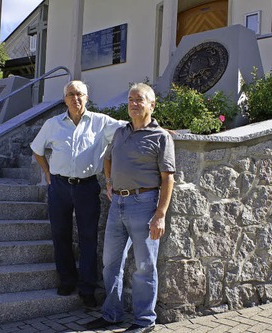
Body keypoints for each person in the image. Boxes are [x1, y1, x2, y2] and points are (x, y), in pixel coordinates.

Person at [85, 83, 175, 333]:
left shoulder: (161, 137)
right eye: (130, 99)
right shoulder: (121, 133)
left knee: (145, 266)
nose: (134, 104)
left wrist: (160, 214)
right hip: (118, 204)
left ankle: (145, 321)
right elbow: (108, 158)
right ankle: (112, 314)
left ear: (152, 105)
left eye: (140, 100)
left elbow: (168, 178)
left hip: (144, 205)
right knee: (110, 263)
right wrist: (110, 182)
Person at [30, 80, 124, 308]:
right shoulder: (53, 124)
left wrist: (155, 127)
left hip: (87, 187)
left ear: (87, 98)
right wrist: (47, 172)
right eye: (71, 94)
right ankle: (66, 280)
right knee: (60, 234)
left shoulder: (101, 122)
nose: (76, 98)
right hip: (59, 187)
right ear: (65, 99)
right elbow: (36, 149)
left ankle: (87, 288)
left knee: (88, 237)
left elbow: (128, 127)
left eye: (80, 94)